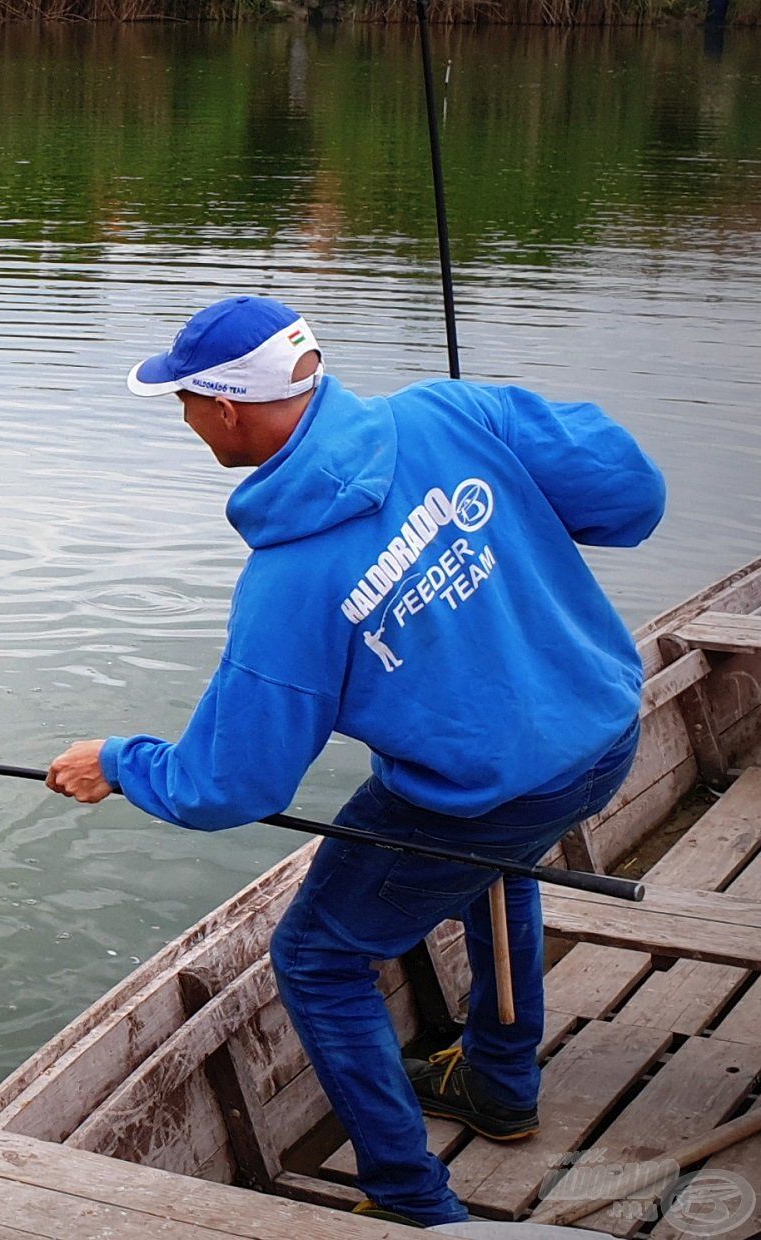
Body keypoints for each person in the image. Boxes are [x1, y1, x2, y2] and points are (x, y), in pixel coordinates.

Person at [44, 295, 664, 1228]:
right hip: (607, 735)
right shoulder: (449, 411)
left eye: (181, 403)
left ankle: (412, 1201)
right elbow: (631, 498)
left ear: (226, 409)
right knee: (501, 856)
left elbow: (231, 785)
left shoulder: (289, 584)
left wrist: (120, 761)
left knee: (319, 957)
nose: (182, 421)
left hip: (485, 797)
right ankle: (498, 1081)